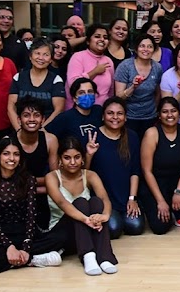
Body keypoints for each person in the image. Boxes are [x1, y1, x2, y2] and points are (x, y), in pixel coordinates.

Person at [0, 136, 63, 272]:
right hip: (0, 236)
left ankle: (6, 262)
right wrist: (9, 247)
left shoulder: (28, 180)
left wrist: (26, 247)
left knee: (59, 237)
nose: (12, 158)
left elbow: (31, 216)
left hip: (26, 234)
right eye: (6, 154)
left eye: (16, 154)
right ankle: (31, 260)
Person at [44, 135, 118, 275]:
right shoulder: (52, 177)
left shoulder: (90, 175)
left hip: (86, 233)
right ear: (60, 159)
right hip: (62, 235)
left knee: (96, 202)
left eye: (77, 157)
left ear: (82, 158)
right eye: (67, 158)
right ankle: (88, 256)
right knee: (80, 202)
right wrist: (86, 219)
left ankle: (104, 257)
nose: (73, 162)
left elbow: (105, 199)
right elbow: (62, 202)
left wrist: (104, 216)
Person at [138, 97, 180, 232]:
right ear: (159, 115)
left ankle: (176, 209)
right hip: (155, 183)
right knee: (160, 228)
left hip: (176, 182)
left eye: (173, 111)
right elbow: (147, 171)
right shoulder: (152, 133)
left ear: (179, 113)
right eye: (165, 112)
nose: (170, 115)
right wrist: (160, 201)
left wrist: (179, 192)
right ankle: (160, 207)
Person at [84, 97, 141, 239]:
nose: (115, 117)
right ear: (103, 116)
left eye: (119, 113)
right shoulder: (93, 136)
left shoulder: (132, 136)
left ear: (125, 117)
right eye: (110, 113)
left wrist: (132, 199)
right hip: (104, 199)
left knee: (135, 227)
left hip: (125, 197)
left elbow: (135, 170)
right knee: (114, 229)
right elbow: (84, 174)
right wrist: (89, 154)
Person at [14, 97, 58, 227]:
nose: (32, 119)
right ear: (19, 120)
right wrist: (43, 184)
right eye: (26, 115)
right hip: (16, 196)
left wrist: (29, 185)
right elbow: (9, 182)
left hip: (42, 194)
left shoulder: (50, 140)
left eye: (36, 115)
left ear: (43, 120)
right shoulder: (9, 142)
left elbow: (56, 177)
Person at [8, 39, 66, 130]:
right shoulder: (19, 77)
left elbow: (58, 110)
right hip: (20, 130)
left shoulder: (56, 80)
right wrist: (19, 131)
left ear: (51, 59)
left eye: (46, 55)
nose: (41, 58)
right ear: (30, 56)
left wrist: (40, 131)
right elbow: (11, 108)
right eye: (37, 53)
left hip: (47, 131)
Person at [114, 33, 164, 135]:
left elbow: (157, 92)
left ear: (154, 50)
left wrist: (154, 109)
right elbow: (119, 96)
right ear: (136, 49)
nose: (146, 49)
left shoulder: (157, 67)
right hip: (129, 116)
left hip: (150, 116)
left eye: (150, 46)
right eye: (142, 46)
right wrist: (133, 87)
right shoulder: (125, 66)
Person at [66, 24, 115, 108]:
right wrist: (95, 72)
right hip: (79, 110)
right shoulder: (78, 57)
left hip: (102, 110)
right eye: (97, 36)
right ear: (88, 41)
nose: (102, 39)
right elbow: (73, 84)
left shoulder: (108, 61)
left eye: (105, 37)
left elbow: (111, 90)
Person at [47, 77, 103, 143]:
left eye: (90, 91)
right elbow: (46, 133)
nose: (87, 95)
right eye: (81, 93)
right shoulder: (65, 117)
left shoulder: (98, 111)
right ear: (74, 98)